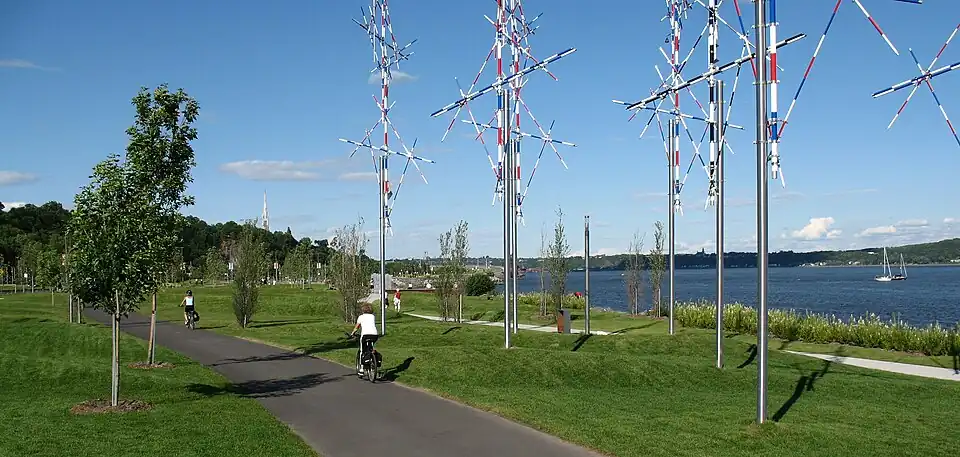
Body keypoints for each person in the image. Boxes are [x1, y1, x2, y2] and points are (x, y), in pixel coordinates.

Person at [349, 303, 379, 376]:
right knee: (370, 347)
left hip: (365, 335)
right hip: (374, 335)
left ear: (363, 310)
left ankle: (362, 369)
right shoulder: (373, 316)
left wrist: (352, 333)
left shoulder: (361, 317)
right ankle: (372, 358)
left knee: (362, 350)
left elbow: (357, 327)